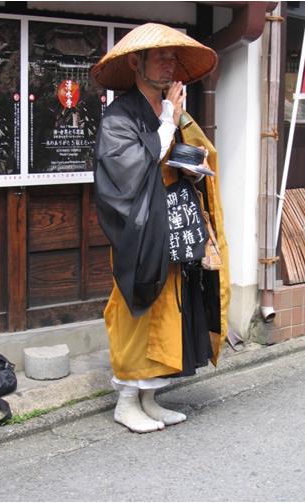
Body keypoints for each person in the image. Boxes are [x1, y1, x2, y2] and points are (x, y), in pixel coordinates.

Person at [91, 23, 230, 433]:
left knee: (172, 309)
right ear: (137, 62)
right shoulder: (119, 116)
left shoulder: (176, 112)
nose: (170, 66)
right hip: (141, 230)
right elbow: (128, 170)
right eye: (161, 57)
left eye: (173, 58)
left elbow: (185, 157)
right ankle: (126, 401)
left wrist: (194, 168)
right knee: (139, 309)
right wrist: (166, 120)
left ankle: (151, 397)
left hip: (174, 222)